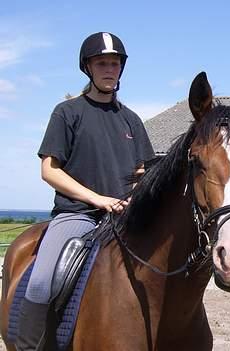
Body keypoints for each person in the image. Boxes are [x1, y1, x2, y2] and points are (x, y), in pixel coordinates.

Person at [16, 32, 155, 350]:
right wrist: (97, 199)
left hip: (123, 218)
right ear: (88, 68)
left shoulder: (132, 120)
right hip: (77, 215)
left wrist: (134, 196)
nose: (109, 69)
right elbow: (49, 170)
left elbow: (140, 172)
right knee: (39, 283)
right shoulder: (68, 113)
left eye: (115, 63)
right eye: (102, 63)